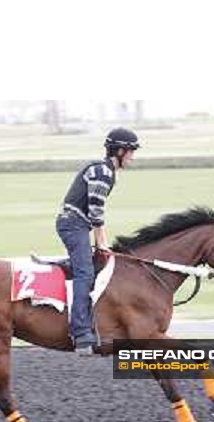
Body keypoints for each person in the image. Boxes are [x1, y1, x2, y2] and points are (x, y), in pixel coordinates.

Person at [56, 127, 140, 355]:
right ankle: (81, 333)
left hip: (76, 223)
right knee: (85, 273)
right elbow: (96, 213)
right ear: (120, 151)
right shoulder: (103, 172)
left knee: (88, 266)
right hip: (74, 224)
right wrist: (102, 243)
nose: (133, 157)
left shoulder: (105, 170)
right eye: (131, 151)